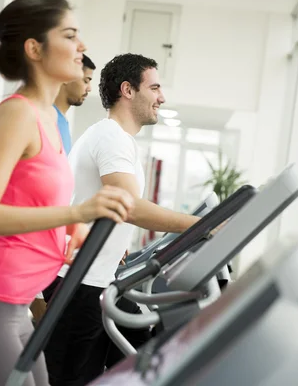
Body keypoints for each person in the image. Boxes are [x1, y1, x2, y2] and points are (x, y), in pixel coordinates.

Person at [0, 0, 134, 386]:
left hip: (16, 308)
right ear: (34, 49)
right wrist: (76, 214)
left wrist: (63, 236)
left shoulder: (49, 117)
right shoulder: (18, 113)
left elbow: (27, 205)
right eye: (70, 35)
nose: (82, 46)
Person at [42, 53, 204, 385]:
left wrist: (117, 247)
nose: (162, 97)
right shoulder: (111, 137)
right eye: (155, 87)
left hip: (90, 278)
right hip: (78, 282)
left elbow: (114, 210)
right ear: (128, 90)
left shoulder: (114, 138)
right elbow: (128, 206)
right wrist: (199, 225)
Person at [29, 53, 96, 324]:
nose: (89, 87)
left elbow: (57, 200)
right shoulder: (43, 121)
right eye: (86, 79)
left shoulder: (63, 125)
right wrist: (34, 296)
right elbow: (34, 201)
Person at [55, 53, 96, 155]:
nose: (89, 88)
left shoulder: (62, 121)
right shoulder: (46, 118)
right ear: (66, 78)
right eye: (86, 81)